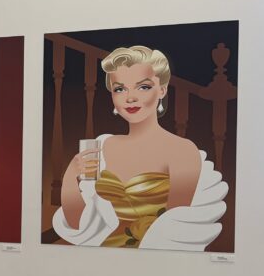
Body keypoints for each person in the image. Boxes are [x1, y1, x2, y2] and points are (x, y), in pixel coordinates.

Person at [56, 45, 227, 250]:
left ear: (162, 89)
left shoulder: (182, 151)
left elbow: (177, 231)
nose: (130, 97)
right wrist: (70, 177)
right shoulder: (102, 146)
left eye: (143, 87)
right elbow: (78, 224)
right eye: (120, 89)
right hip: (99, 258)